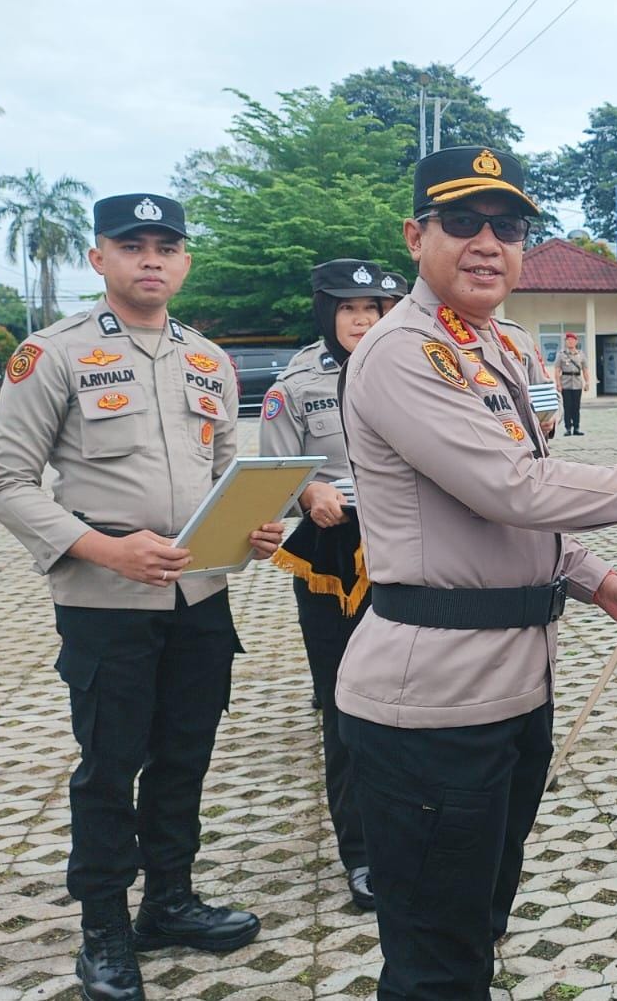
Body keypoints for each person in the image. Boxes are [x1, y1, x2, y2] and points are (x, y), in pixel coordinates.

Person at [335, 145, 617, 999]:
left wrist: (597, 581)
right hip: (434, 703)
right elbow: (511, 488)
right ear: (415, 236)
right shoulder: (403, 352)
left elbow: (513, 511)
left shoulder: (500, 344)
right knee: (436, 961)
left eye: (507, 227)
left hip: (514, 688)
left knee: (477, 926)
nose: (488, 243)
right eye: (462, 222)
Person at [0, 194, 286, 1001]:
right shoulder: (52, 354)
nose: (152, 258)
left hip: (200, 597)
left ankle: (170, 901)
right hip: (105, 600)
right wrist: (104, 548)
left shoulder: (208, 359)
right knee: (110, 767)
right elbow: (7, 485)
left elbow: (227, 475)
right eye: (132, 244)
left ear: (185, 261)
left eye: (167, 246)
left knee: (185, 755)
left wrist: (253, 528)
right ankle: (104, 930)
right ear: (99, 259)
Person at [259, 258, 405, 912]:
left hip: (412, 545)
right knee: (347, 704)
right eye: (349, 308)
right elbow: (270, 475)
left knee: (415, 695)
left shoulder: (416, 367)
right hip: (334, 558)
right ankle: (364, 852)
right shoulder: (295, 385)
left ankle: (416, 829)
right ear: (327, 313)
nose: (362, 320)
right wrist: (306, 490)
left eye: (373, 309)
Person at [556, 331, 589, 435]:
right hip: (565, 384)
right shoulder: (561, 355)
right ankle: (568, 428)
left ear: (576, 342)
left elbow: (585, 370)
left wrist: (587, 382)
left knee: (576, 407)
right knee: (567, 407)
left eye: (572, 340)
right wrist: (558, 384)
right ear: (566, 342)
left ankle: (576, 428)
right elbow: (557, 370)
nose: (570, 342)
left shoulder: (581, 355)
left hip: (577, 384)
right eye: (568, 340)